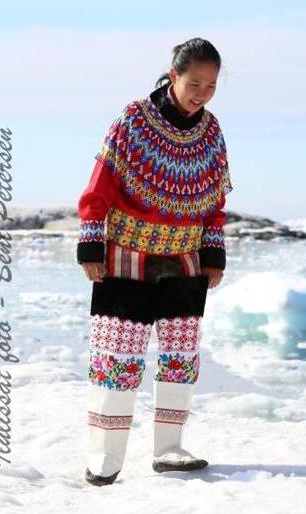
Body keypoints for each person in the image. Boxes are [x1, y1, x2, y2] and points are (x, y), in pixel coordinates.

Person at [76, 37, 231, 486]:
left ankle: (169, 448)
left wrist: (213, 255)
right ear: (173, 75)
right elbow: (100, 185)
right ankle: (105, 456)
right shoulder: (133, 120)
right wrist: (91, 244)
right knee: (117, 358)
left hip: (185, 261)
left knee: (180, 357)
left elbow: (215, 201)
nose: (201, 93)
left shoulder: (212, 131)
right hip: (126, 257)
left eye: (210, 85)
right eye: (194, 83)